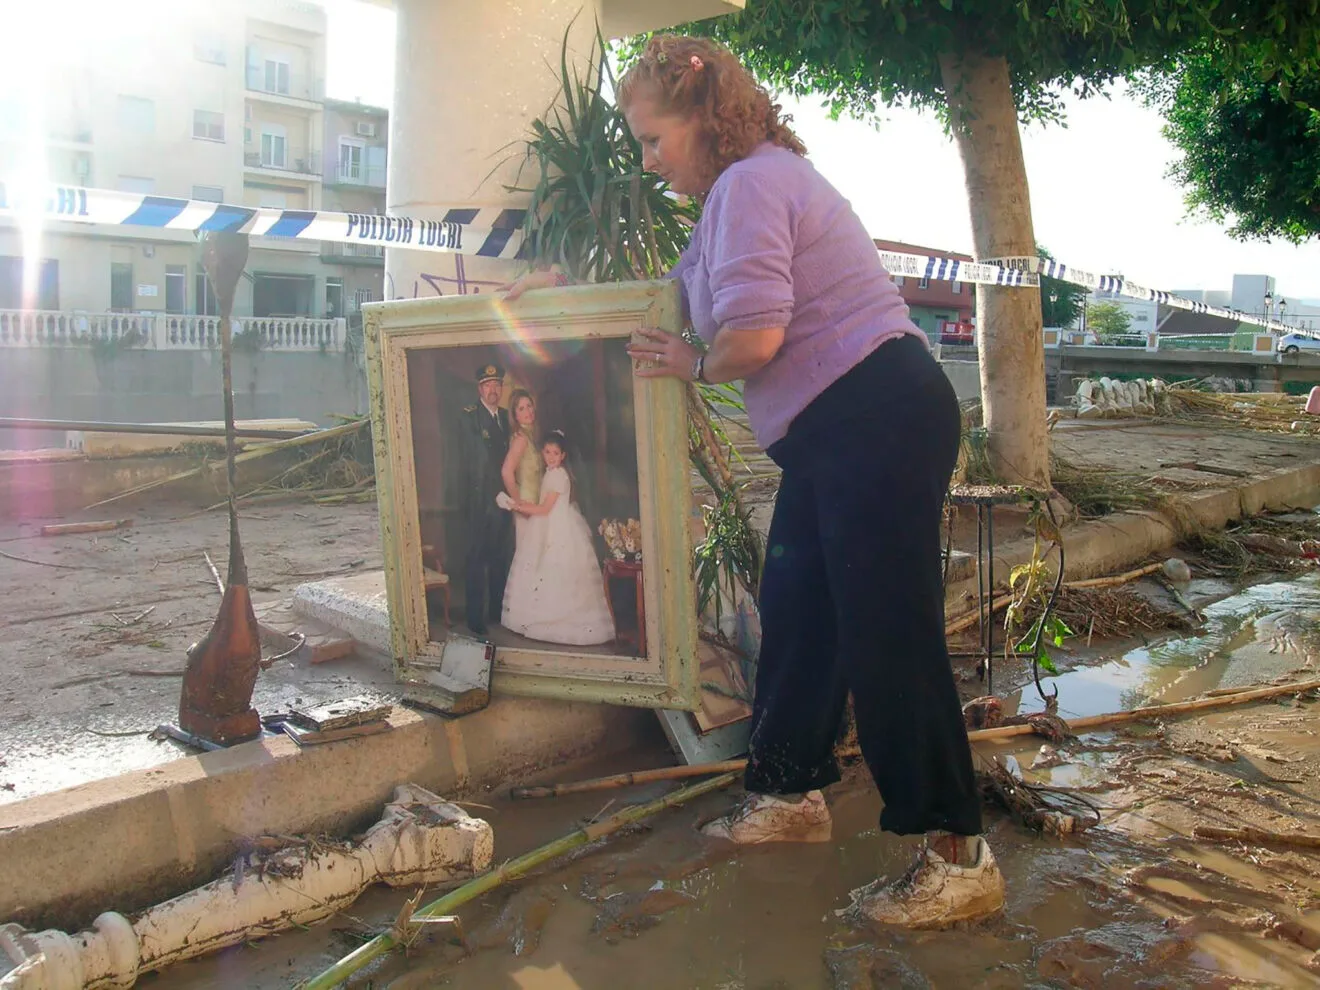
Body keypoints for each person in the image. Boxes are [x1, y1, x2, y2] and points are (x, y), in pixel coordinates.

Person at [501, 35, 1003, 929]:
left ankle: (958, 853)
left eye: (654, 139)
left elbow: (752, 339)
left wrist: (694, 364)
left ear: (705, 118)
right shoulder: (737, 195)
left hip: (874, 418)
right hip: (842, 427)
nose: (649, 160)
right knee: (803, 610)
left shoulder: (752, 184)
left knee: (890, 634)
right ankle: (787, 793)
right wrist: (568, 292)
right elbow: (671, 301)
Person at [501, 430, 616, 646]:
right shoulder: (550, 472)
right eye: (547, 452)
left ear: (563, 455)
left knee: (555, 570)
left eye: (555, 453)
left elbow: (545, 509)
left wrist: (518, 505)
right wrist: (519, 505)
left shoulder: (558, 475)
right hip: (546, 525)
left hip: (558, 528)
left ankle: (556, 619)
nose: (551, 457)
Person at [458, 361, 513, 637]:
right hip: (480, 501)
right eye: (488, 385)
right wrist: (496, 492)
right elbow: (477, 463)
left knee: (500, 557)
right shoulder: (469, 417)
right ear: (480, 388)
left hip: (504, 503)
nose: (494, 390)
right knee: (477, 559)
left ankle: (496, 612)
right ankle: (475, 618)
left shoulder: (505, 416)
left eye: (498, 385)